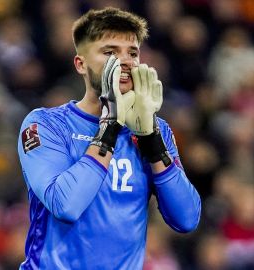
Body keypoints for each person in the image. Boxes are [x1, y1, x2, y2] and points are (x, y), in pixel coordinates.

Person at [17, 7, 201, 269]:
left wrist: (151, 139)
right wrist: (111, 123)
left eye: (132, 53)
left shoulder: (155, 130)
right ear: (81, 64)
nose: (125, 61)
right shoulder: (46, 124)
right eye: (110, 52)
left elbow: (186, 219)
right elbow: (66, 205)